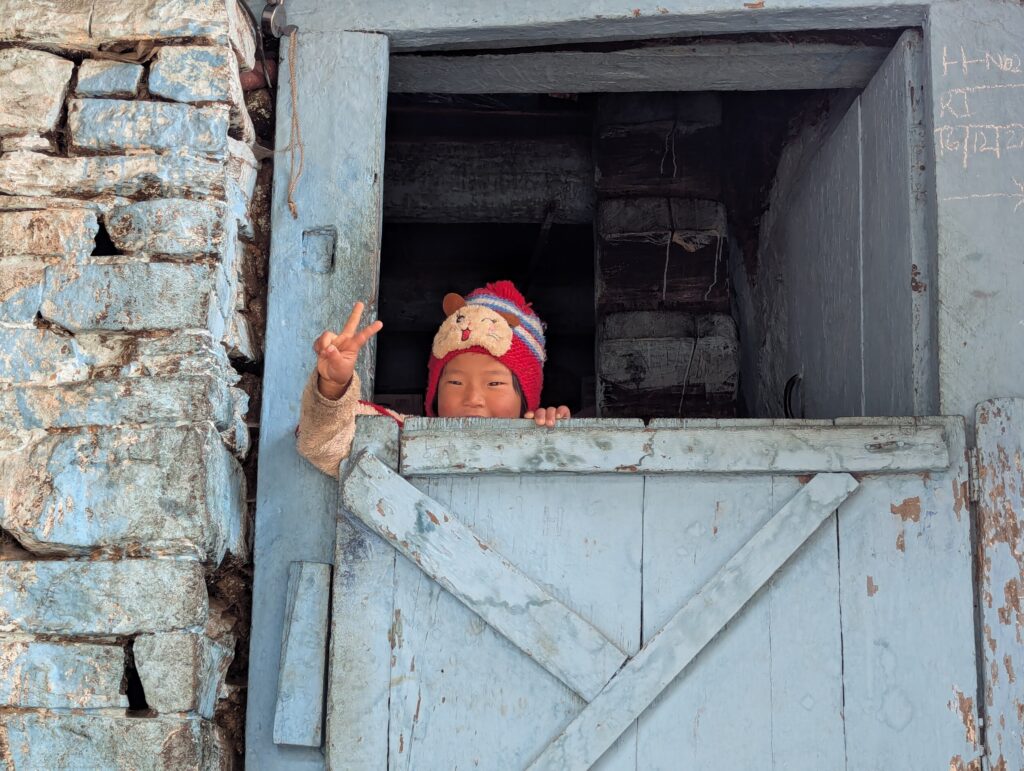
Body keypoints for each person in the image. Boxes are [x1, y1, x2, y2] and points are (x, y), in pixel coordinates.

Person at [296, 281, 571, 477]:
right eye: (455, 382)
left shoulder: (537, 439)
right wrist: (333, 386)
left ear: (526, 399)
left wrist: (557, 436)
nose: (473, 399)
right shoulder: (402, 437)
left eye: (494, 383)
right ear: (434, 394)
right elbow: (322, 442)